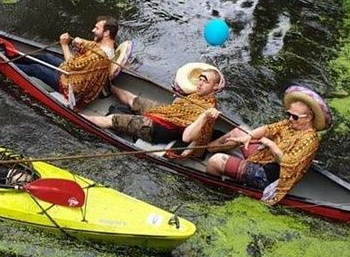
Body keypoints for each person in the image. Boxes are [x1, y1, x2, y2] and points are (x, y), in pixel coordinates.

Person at [183, 85, 331, 205]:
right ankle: (202, 150)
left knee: (215, 161)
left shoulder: (310, 139)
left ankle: (215, 191)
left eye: (295, 117)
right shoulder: (289, 124)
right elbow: (268, 129)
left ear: (309, 118)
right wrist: (247, 137)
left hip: (270, 175)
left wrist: (271, 144)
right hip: (264, 157)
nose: (290, 119)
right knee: (237, 132)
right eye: (289, 114)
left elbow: (287, 163)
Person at [88, 66, 225, 145]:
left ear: (216, 86)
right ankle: (108, 86)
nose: (199, 83)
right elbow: (178, 107)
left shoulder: (208, 109)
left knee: (113, 119)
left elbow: (187, 137)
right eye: (199, 79)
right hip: (164, 111)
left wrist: (205, 116)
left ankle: (79, 117)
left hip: (159, 129)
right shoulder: (197, 95)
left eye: (205, 81)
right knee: (133, 99)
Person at [9, 16, 119, 107]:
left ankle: (9, 65)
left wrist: (64, 44)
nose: (93, 30)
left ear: (106, 33)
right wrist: (76, 41)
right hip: (75, 75)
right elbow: (92, 46)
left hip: (72, 87)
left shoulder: (99, 56)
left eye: (97, 28)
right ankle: (14, 56)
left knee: (37, 69)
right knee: (46, 57)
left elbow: (71, 65)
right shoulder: (109, 47)